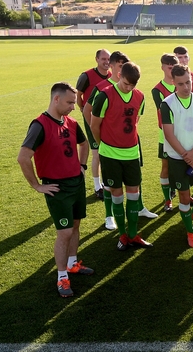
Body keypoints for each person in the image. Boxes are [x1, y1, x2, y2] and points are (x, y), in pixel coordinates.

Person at [17, 82, 93, 298]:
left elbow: (84, 144)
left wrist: (83, 166)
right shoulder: (39, 125)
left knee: (76, 225)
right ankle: (62, 277)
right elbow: (23, 157)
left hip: (76, 183)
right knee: (65, 232)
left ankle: (72, 264)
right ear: (56, 99)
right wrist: (36, 185)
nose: (73, 106)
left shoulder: (71, 122)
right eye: (70, 102)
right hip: (57, 188)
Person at [90, 61, 153, 251]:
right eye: (126, 83)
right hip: (110, 154)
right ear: (119, 76)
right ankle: (122, 235)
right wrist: (105, 146)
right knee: (117, 195)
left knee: (134, 194)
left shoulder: (140, 97)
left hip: (132, 153)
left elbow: (135, 122)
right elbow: (94, 125)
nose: (129, 88)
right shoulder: (104, 96)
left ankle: (133, 235)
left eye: (133, 85)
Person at [161, 64, 193, 248]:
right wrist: (185, 155)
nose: (186, 87)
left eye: (188, 82)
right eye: (181, 84)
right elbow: (169, 134)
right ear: (173, 82)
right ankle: (190, 231)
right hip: (177, 158)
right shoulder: (167, 104)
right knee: (184, 195)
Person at [83, 51, 129, 230]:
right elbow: (87, 110)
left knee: (132, 182)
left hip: (126, 145)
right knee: (110, 182)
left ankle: (138, 208)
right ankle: (109, 215)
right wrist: (98, 134)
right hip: (108, 144)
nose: (121, 69)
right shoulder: (102, 87)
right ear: (112, 66)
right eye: (119, 65)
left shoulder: (130, 89)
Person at [75, 48, 110, 200]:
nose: (106, 62)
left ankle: (106, 182)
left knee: (106, 150)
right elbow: (78, 94)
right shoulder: (87, 76)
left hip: (106, 118)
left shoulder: (111, 76)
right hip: (91, 118)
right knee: (96, 151)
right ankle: (98, 186)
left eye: (108, 59)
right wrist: (83, 109)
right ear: (96, 59)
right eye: (103, 59)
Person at [151, 53, 180, 212]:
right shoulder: (157, 90)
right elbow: (165, 113)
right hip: (166, 136)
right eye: (168, 66)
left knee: (181, 166)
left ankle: (183, 193)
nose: (170, 69)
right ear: (162, 67)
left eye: (173, 66)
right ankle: (168, 199)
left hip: (184, 134)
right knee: (166, 167)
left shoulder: (182, 84)